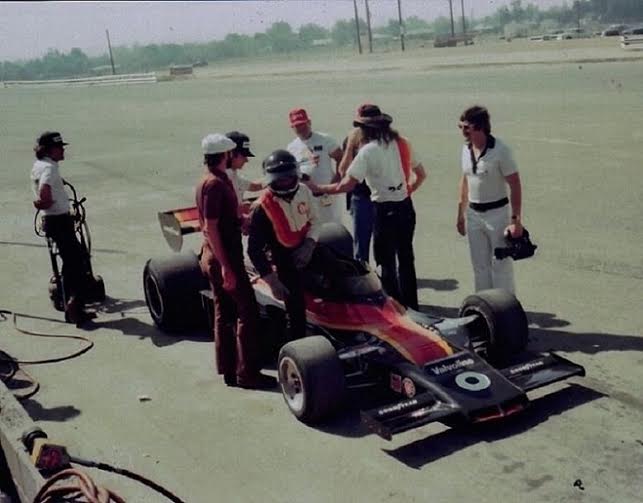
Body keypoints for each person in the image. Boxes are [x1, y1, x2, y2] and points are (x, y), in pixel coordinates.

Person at [305, 104, 427, 310]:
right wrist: (407, 190)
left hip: (383, 210)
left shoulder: (368, 151)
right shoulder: (403, 142)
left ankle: (395, 308)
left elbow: (346, 184)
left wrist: (318, 188)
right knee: (406, 258)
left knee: (386, 262)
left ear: (365, 130)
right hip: (406, 207)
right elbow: (421, 174)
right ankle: (413, 305)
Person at [195, 133, 276, 389]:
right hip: (224, 257)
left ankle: (228, 370)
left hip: (216, 255)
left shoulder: (210, 180)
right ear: (225, 155)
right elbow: (210, 227)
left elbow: (221, 219)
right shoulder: (215, 184)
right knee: (247, 311)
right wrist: (226, 267)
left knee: (224, 312)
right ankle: (247, 373)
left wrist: (241, 221)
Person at [247, 150, 322, 342]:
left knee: (346, 271)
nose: (286, 182)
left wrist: (309, 245)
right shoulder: (261, 208)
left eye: (289, 177)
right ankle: (299, 344)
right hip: (282, 257)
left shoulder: (304, 191)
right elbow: (254, 250)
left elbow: (316, 221)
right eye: (280, 179)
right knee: (295, 305)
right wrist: (273, 282)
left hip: (307, 246)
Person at [456, 105, 523, 294]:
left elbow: (515, 184)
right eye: (460, 127)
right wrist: (460, 214)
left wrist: (516, 221)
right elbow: (465, 181)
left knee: (501, 265)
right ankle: (484, 304)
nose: (462, 131)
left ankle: (506, 306)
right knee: (479, 266)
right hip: (473, 216)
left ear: (479, 126)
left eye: (466, 127)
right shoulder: (465, 150)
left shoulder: (501, 150)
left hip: (498, 215)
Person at [31, 131, 93, 326]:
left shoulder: (39, 165)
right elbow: (45, 195)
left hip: (53, 220)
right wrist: (44, 203)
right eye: (59, 147)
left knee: (71, 260)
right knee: (79, 261)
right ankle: (74, 305)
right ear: (49, 150)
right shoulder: (49, 169)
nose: (63, 150)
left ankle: (71, 304)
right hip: (58, 222)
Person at [286, 108, 343, 225]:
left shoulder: (325, 140)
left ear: (309, 122)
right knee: (310, 227)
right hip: (305, 197)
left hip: (326, 194)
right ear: (292, 127)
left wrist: (336, 180)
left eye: (303, 124)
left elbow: (341, 158)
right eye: (297, 126)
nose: (301, 128)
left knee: (332, 227)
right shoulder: (291, 148)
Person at [339, 129, 373, 262]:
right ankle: (362, 271)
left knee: (384, 243)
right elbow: (343, 172)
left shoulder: (383, 141)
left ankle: (386, 273)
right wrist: (350, 145)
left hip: (382, 198)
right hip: (360, 198)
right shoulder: (350, 140)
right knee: (361, 245)